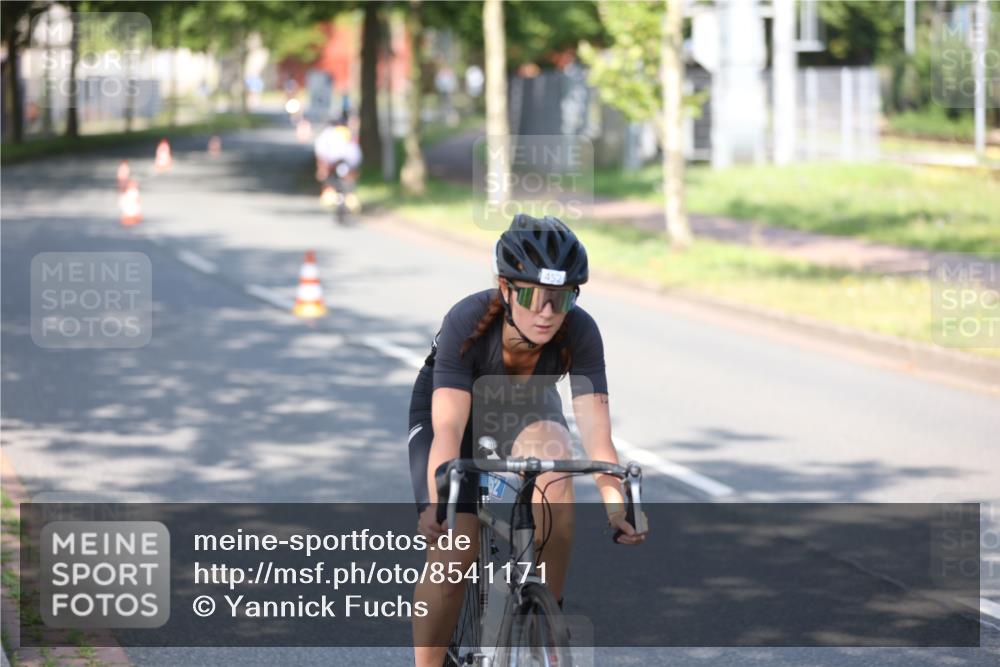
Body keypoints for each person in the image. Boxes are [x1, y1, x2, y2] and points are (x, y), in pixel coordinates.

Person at [408, 214, 648, 665]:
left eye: (561, 299)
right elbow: (448, 429)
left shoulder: (580, 332)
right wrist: (438, 500)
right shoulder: (468, 319)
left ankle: (545, 624)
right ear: (505, 288)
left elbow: (598, 436)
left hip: (527, 411)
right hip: (455, 413)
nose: (547, 312)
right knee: (453, 553)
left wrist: (619, 507)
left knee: (558, 473)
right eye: (532, 296)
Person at [314, 116, 362, 212]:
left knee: (327, 179)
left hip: (333, 158)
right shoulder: (347, 132)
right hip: (350, 159)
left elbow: (321, 151)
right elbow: (355, 152)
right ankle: (350, 196)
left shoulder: (326, 133)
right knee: (350, 179)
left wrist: (321, 169)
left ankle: (330, 191)